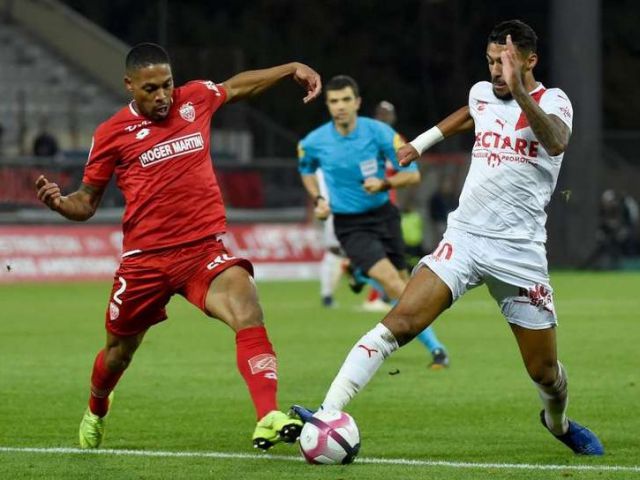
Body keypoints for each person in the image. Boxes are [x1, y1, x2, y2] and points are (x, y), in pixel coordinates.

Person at [293, 20, 604, 456]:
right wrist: (418, 145)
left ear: (530, 61)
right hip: (465, 240)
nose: (497, 71)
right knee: (398, 323)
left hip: (520, 254)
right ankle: (328, 410)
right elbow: (468, 112)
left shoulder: (552, 101)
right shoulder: (482, 93)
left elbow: (556, 142)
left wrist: (517, 90)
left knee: (545, 371)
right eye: (492, 61)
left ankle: (558, 423)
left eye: (507, 63)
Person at [35, 43, 321, 451]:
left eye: (167, 85)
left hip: (202, 252)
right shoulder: (111, 134)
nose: (162, 96)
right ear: (129, 85)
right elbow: (86, 201)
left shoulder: (195, 99)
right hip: (144, 262)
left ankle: (267, 416)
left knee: (248, 308)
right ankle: (97, 407)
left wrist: (291, 66)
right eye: (150, 89)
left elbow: (237, 87)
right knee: (117, 354)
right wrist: (61, 204)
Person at [297, 75, 449, 369]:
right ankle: (437, 350)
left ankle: (359, 274)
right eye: (333, 101)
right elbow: (306, 171)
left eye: (345, 100)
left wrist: (383, 185)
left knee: (405, 290)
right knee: (394, 285)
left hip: (384, 217)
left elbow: (413, 174)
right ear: (327, 105)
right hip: (350, 225)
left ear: (357, 103)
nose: (339, 107)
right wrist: (318, 199)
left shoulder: (380, 133)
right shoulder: (314, 142)